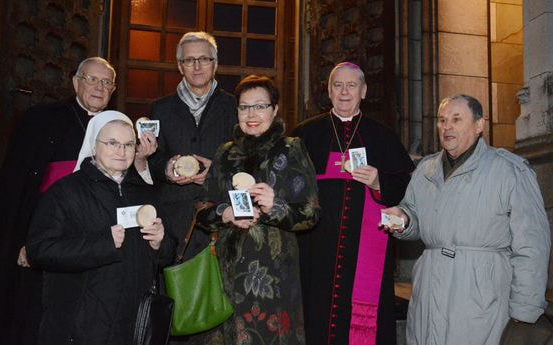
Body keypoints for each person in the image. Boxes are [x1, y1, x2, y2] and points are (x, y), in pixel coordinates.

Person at [382, 94, 551, 345]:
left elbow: (532, 245)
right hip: (429, 292)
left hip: (482, 296)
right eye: (442, 120)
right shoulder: (425, 171)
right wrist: (403, 220)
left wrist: (524, 312)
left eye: (456, 119)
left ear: (479, 125)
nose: (447, 126)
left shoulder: (509, 171)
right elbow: (414, 213)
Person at [0, 57, 124, 345]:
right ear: (76, 82)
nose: (99, 87)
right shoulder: (41, 119)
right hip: (44, 234)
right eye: (92, 79)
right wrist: (20, 240)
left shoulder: (118, 129)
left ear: (113, 90)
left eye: (106, 83)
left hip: (93, 240)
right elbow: (14, 188)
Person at [25, 111, 175, 345]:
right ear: (94, 146)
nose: (121, 151)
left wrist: (161, 243)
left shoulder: (146, 192)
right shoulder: (65, 192)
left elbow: (167, 254)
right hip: (81, 324)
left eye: (128, 144)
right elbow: (40, 249)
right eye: (112, 143)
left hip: (132, 324)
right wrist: (103, 244)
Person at [293, 62, 415, 345]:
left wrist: (378, 182)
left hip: (365, 250)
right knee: (315, 317)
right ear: (329, 91)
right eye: (338, 85)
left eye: (351, 85)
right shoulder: (305, 134)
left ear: (364, 91)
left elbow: (407, 189)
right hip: (315, 250)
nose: (344, 92)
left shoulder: (382, 136)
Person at [194, 75, 321, 344]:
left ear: (275, 110)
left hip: (274, 279)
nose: (251, 114)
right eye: (244, 107)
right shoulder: (225, 153)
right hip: (225, 276)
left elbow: (310, 214)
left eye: (260, 106)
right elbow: (202, 208)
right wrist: (224, 215)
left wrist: (275, 206)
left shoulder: (290, 149)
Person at [148, 31, 237, 258]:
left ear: (215, 64)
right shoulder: (160, 109)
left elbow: (245, 159)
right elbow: (151, 159)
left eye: (204, 59)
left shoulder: (234, 107)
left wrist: (216, 171)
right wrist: (166, 169)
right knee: (176, 291)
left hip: (223, 217)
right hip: (174, 221)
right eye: (189, 60)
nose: (197, 66)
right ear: (180, 66)